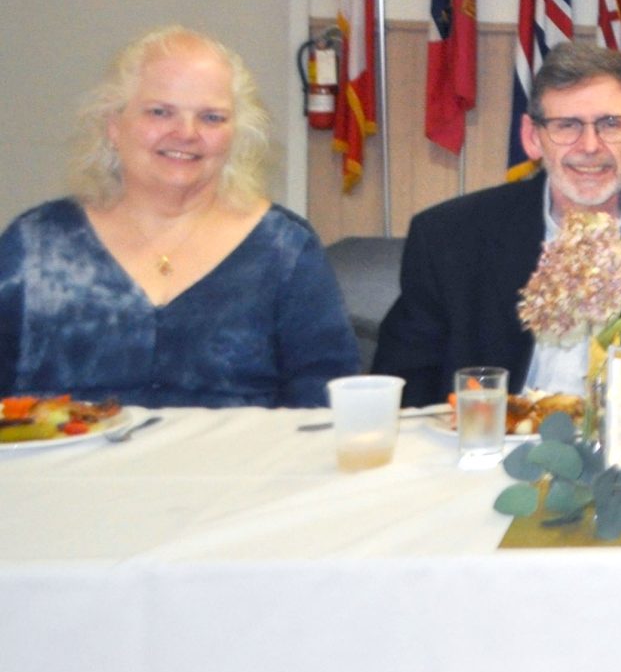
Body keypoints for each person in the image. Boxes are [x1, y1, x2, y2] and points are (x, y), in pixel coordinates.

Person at [374, 43, 621, 404]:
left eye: (610, 123)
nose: (590, 146)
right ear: (532, 137)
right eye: (566, 125)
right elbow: (404, 392)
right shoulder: (447, 240)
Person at [0, 27, 357, 407]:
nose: (186, 133)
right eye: (160, 111)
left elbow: (326, 412)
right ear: (114, 126)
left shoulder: (286, 251)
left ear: (237, 135)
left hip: (235, 467)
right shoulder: (36, 243)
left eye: (212, 117)